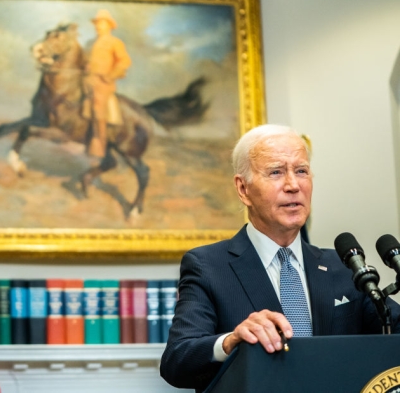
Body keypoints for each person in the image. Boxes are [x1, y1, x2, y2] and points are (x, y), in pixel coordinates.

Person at [160, 124, 400, 392]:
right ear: (243, 189)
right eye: (276, 172)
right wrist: (231, 341)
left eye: (301, 171)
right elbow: (177, 360)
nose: (293, 185)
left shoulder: (343, 267)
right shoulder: (209, 266)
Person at [82, 9, 132, 161]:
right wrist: (85, 66)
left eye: (102, 23)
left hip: (103, 83)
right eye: (97, 23)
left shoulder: (115, 42)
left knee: (98, 108)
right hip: (87, 80)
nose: (98, 26)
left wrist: (110, 75)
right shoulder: (90, 43)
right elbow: (85, 60)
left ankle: (99, 146)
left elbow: (125, 61)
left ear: (109, 25)